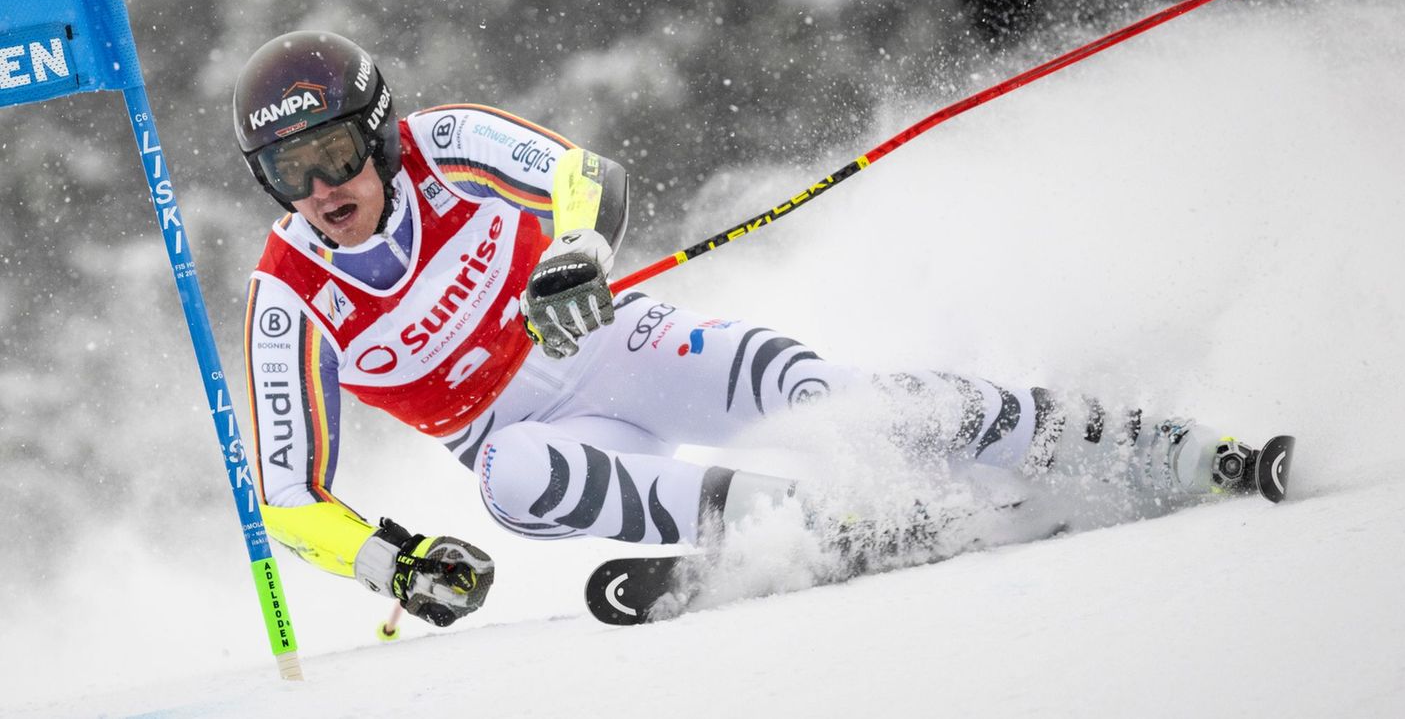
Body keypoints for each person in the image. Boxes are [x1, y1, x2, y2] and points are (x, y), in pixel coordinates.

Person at [235, 31, 1263, 628]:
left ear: (374, 133)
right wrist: (395, 568)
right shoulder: (289, 297)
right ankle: (801, 520)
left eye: (334, 153)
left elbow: (586, 177)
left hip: (613, 349)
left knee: (834, 400)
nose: (323, 189)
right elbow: (287, 499)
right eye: (290, 172)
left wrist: (580, 255)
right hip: (534, 438)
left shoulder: (441, 143)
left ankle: (1132, 444)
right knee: (513, 479)